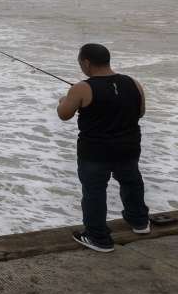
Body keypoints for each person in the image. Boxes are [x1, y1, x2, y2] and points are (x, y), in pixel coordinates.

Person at [56, 43, 150, 253]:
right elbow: (140, 112)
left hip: (95, 152)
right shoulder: (133, 83)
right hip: (128, 146)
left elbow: (63, 114)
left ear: (86, 62)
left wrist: (65, 99)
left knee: (94, 191)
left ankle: (98, 238)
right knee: (131, 181)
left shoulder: (81, 88)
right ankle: (140, 222)